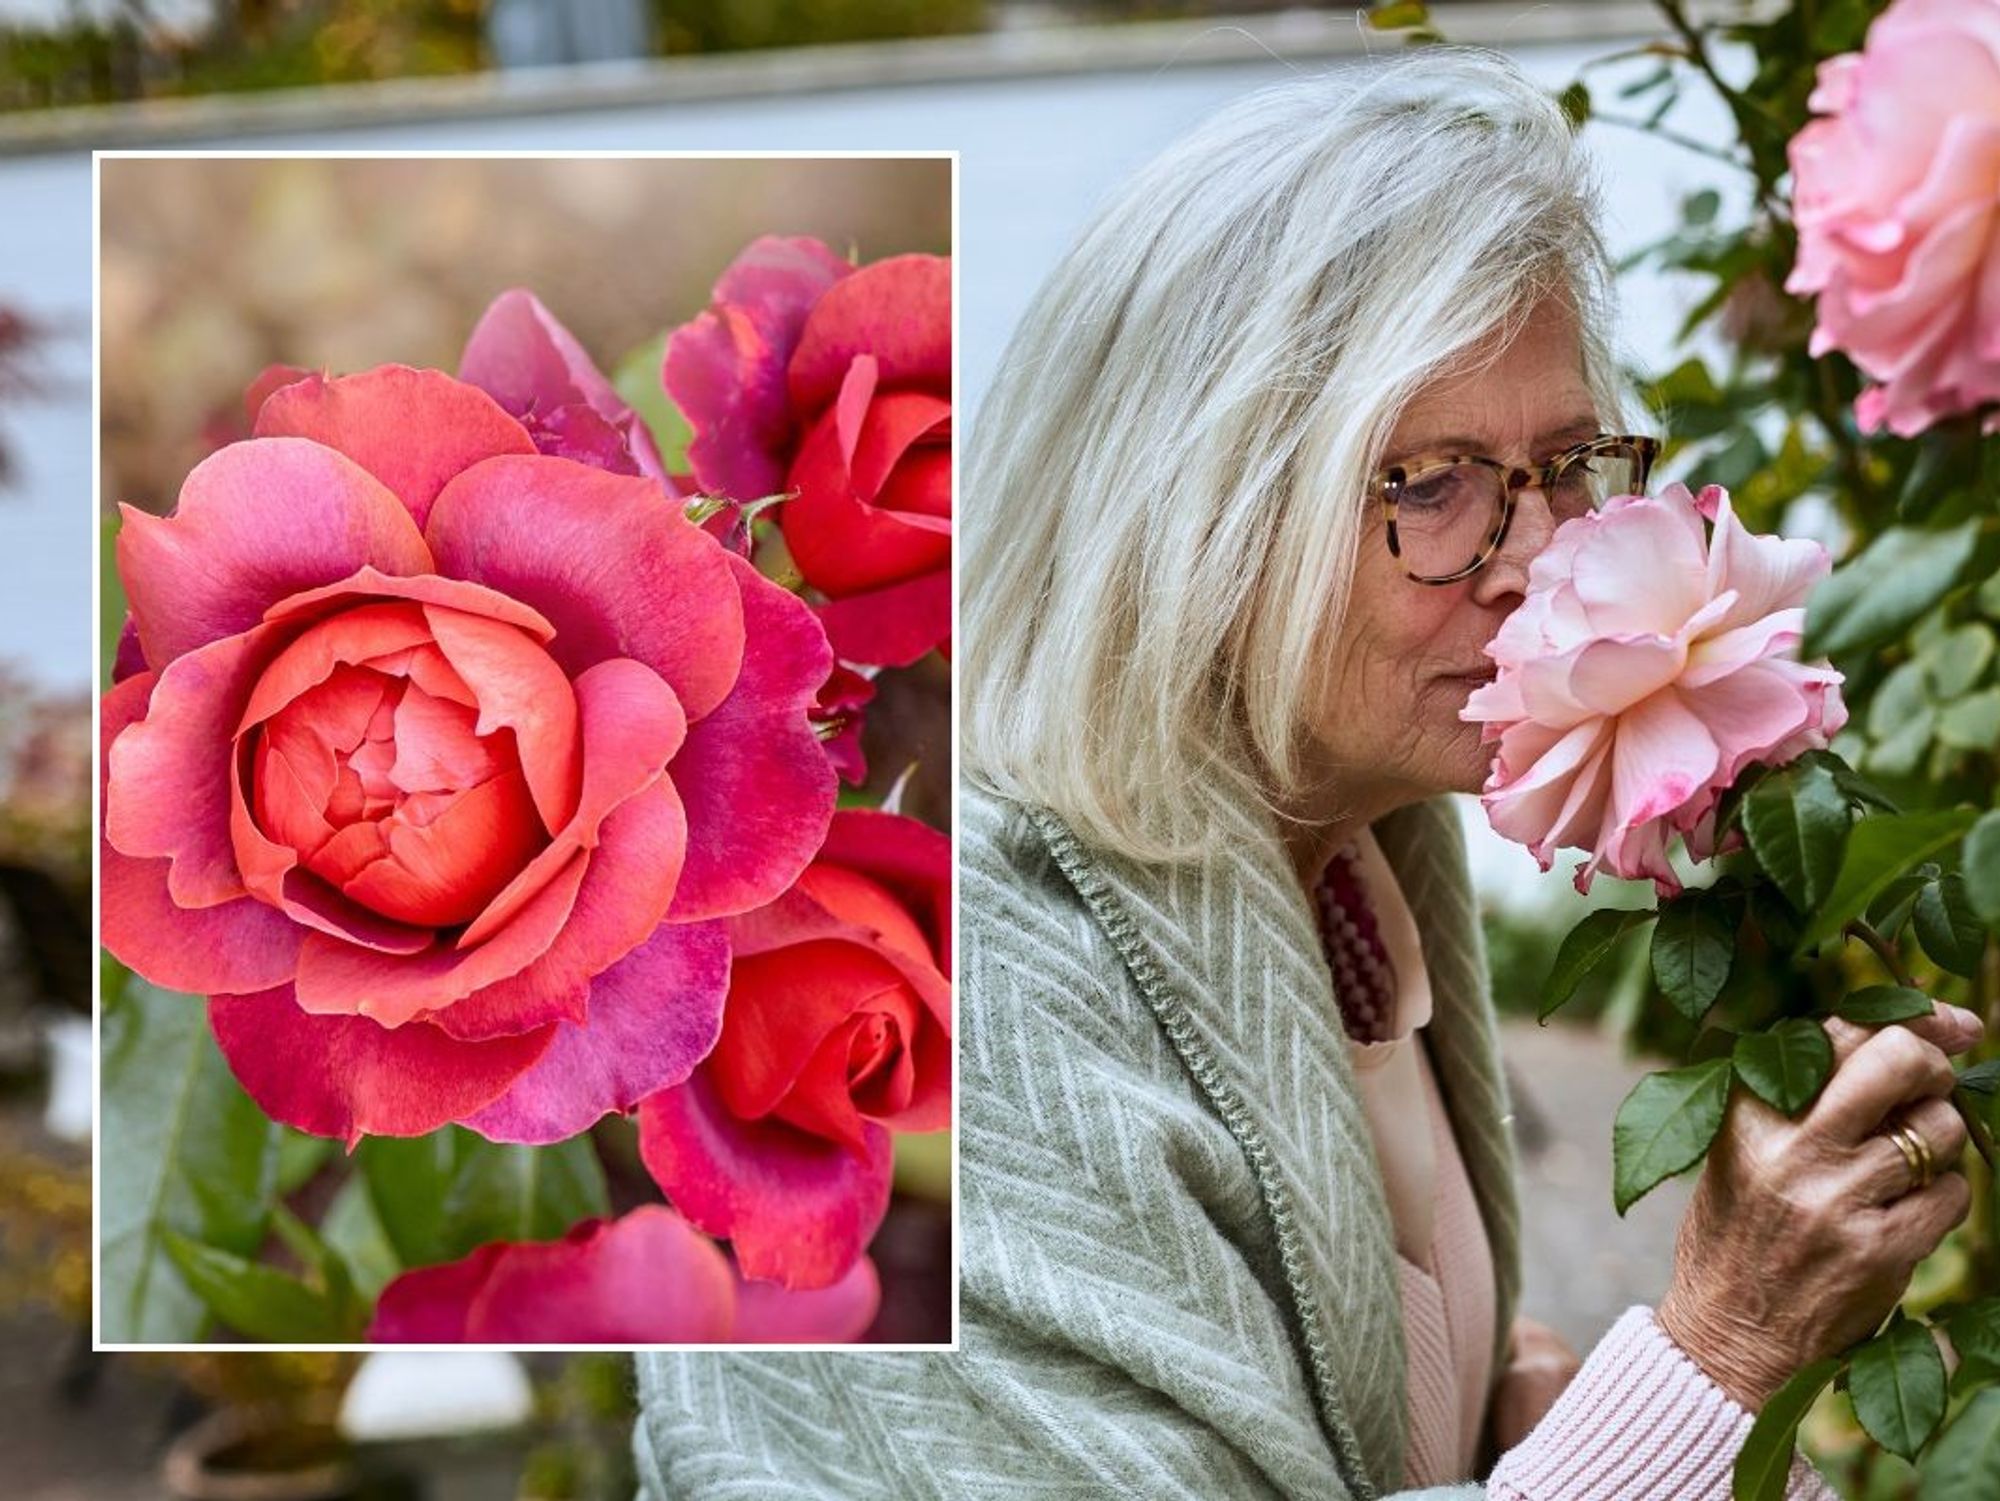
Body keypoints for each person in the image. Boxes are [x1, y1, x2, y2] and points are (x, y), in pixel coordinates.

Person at [635, 49, 1977, 1498]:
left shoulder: (1350, 863)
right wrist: (1717, 1360)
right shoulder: (986, 1013)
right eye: (1434, 482)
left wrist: (1501, 1423)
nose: (1540, 565)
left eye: (1573, 459)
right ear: (1202, 514)